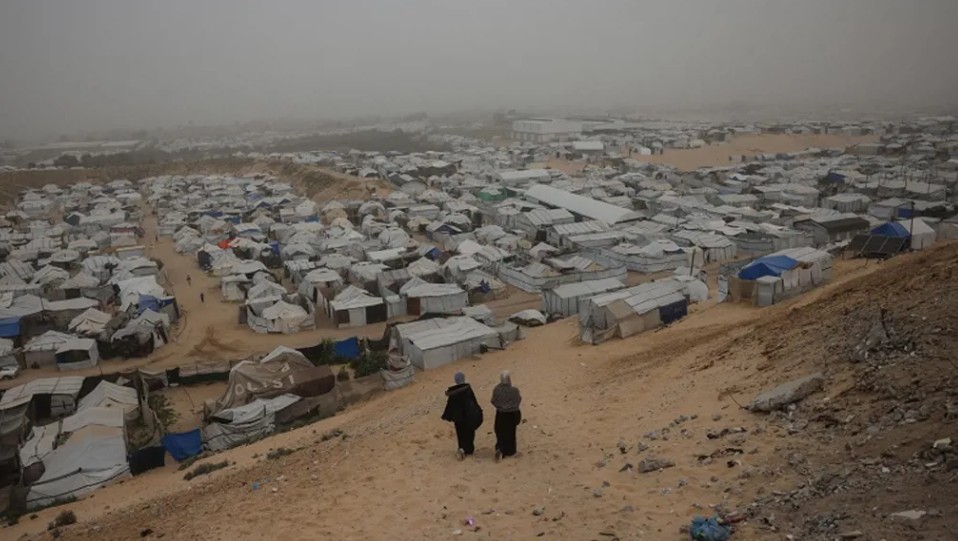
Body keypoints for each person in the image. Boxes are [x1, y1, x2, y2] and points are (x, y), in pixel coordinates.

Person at [441, 372, 483, 460]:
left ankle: (461, 448)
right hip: (468, 416)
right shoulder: (467, 389)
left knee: (460, 434)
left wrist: (448, 415)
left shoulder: (453, 392)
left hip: (458, 418)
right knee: (469, 433)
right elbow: (473, 402)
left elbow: (450, 405)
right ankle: (469, 450)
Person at [491, 370, 522, 461]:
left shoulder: (497, 389)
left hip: (500, 414)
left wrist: (500, 406)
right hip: (511, 414)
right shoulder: (514, 390)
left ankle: (500, 448)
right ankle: (510, 451)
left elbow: (493, 401)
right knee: (510, 433)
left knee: (500, 432)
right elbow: (518, 400)